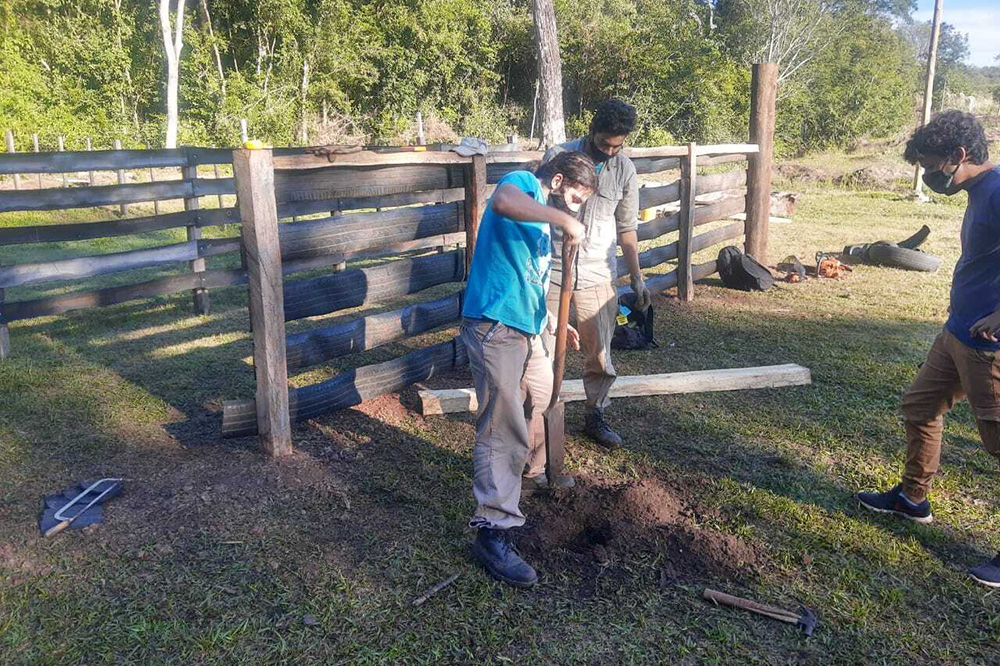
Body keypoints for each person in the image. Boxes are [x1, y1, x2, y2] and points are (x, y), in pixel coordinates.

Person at [856, 110, 1000, 588]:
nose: (929, 175)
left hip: (989, 346)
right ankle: (913, 498)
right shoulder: (979, 192)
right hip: (957, 333)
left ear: (959, 156)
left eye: (932, 164)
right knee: (919, 407)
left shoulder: (999, 190)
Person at [462, 151, 597, 588]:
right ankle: (493, 529)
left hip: (527, 326)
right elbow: (500, 200)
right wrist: (564, 221)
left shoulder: (541, 220)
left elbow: (531, 276)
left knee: (543, 397)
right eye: (574, 198)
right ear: (556, 180)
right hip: (494, 325)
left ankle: (528, 475)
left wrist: (554, 322)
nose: (574, 208)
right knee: (503, 426)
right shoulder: (522, 183)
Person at [535, 100, 648, 458]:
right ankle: (539, 413)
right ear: (591, 129)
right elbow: (536, 207)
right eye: (605, 144)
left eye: (618, 145)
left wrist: (637, 278)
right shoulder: (559, 156)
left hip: (598, 275)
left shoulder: (624, 171)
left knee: (599, 354)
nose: (610, 151)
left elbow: (627, 228)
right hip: (551, 271)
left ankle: (594, 414)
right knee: (542, 350)